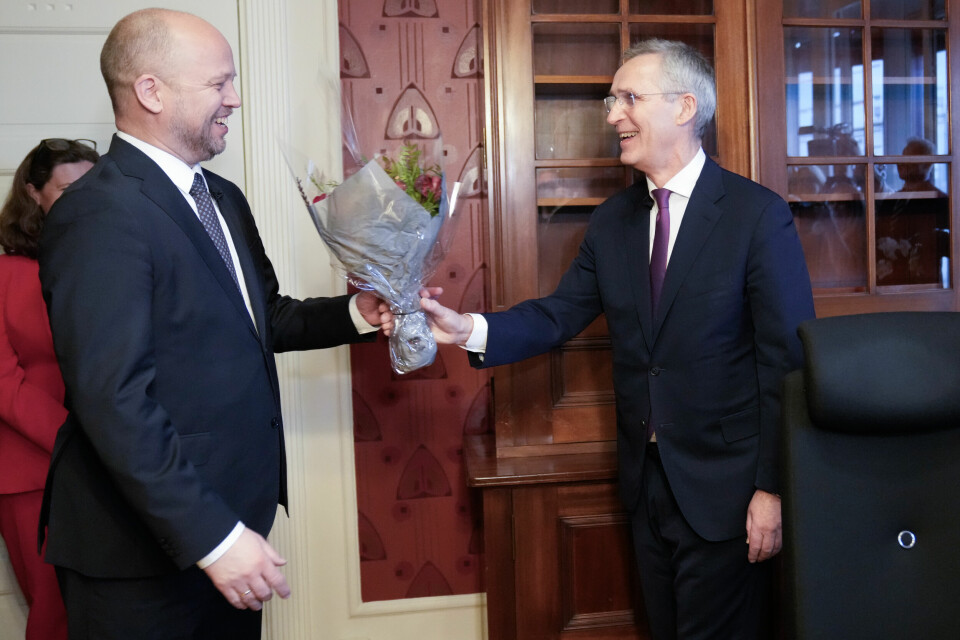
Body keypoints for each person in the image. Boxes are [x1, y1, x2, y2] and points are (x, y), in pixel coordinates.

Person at [406, 39, 815, 640]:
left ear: (684, 107)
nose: (612, 114)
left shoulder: (757, 216)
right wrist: (470, 329)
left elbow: (786, 365)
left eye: (628, 98)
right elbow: (561, 313)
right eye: (611, 99)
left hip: (729, 496)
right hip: (646, 486)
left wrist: (772, 489)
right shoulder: (615, 220)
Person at [37, 9, 390, 639]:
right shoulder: (98, 213)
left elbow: (265, 318)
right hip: (142, 555)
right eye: (219, 83)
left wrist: (354, 314)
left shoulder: (221, 197)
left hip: (230, 526)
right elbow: (112, 399)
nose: (235, 98)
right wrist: (214, 537)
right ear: (151, 91)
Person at [0, 138, 98, 640]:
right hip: (34, 472)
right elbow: (4, 385)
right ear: (33, 193)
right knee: (54, 616)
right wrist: (76, 439)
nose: (83, 199)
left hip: (118, 467)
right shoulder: (4, 275)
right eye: (66, 189)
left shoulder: (109, 266)